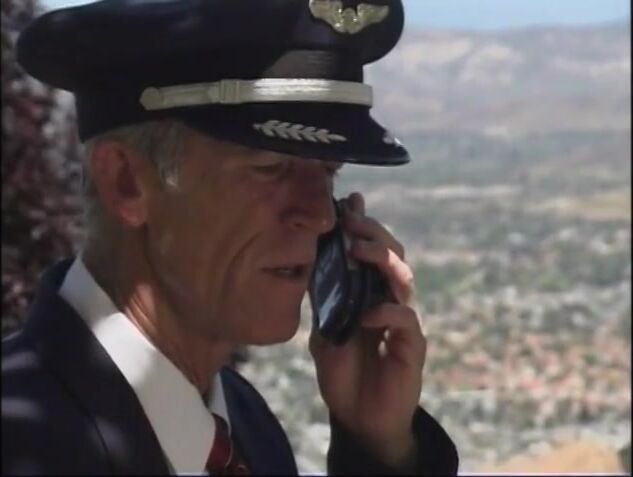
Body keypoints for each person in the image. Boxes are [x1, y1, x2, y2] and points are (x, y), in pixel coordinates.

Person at [2, 0, 459, 474]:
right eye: (270, 167)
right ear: (127, 182)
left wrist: (377, 449)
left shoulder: (245, 425)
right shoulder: (21, 447)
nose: (321, 216)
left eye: (328, 172)